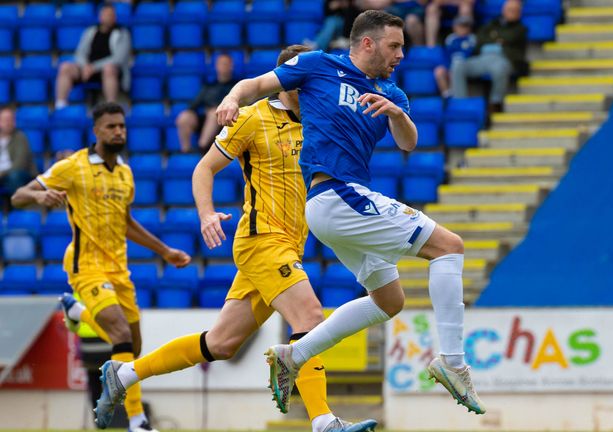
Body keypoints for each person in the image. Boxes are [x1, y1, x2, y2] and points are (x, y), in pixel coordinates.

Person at [91, 46, 378, 432]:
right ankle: (324, 422)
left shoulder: (318, 122)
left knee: (222, 343)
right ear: (288, 81)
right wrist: (206, 213)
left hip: (290, 246)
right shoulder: (252, 118)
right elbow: (204, 169)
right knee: (310, 317)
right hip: (262, 240)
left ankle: (123, 375)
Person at [216, 10, 485, 415]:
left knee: (389, 300)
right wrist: (231, 98)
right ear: (367, 43)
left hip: (337, 206)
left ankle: (294, 355)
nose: (400, 55)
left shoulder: (392, 93)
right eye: (395, 46)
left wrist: (397, 114)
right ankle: (453, 363)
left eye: (403, 48)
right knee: (449, 247)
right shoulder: (316, 64)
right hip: (337, 195)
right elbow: (256, 83)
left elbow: (409, 143)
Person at [11, 102, 191, 432]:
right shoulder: (73, 166)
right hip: (86, 266)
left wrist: (165, 251)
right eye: (111, 126)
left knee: (133, 349)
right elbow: (17, 196)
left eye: (121, 126)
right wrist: (39, 198)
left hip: (119, 270)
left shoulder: (124, 172)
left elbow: (126, 223)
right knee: (120, 334)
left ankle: (78, 312)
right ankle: (137, 421)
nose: (118, 131)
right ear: (96, 132)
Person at [450, 0, 527, 112]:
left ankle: (495, 103)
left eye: (514, 11)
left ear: (519, 13)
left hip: (503, 58)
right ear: (503, 10)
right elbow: (480, 38)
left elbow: (510, 37)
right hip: (483, 57)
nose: (510, 12)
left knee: (499, 69)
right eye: (509, 10)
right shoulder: (493, 23)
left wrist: (494, 38)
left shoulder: (521, 28)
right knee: (458, 65)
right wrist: (499, 40)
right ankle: (460, 102)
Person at [54, 4, 131, 108]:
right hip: (87, 69)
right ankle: (60, 105)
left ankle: (111, 106)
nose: (109, 17)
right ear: (100, 16)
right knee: (65, 67)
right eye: (106, 14)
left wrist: (94, 67)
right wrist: (85, 66)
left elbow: (118, 58)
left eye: (111, 15)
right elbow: (80, 53)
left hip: (108, 70)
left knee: (109, 69)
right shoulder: (90, 31)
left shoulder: (122, 33)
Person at [175, 53, 237, 153]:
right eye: (221, 64)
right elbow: (193, 105)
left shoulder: (237, 86)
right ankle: (185, 151)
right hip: (205, 119)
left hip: (227, 121)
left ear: (231, 66)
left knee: (213, 113)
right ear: (216, 66)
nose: (223, 66)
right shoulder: (209, 86)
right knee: (184, 117)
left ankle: (202, 147)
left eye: (226, 64)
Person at [0, 106, 37, 205]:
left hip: (20, 174)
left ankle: (21, 207)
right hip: (2, 176)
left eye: (10, 119)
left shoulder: (20, 137)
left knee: (14, 176)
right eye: (5, 120)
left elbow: (19, 164)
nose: (8, 123)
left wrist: (1, 173)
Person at [433, 15, 476, 98]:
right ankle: (447, 95)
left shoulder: (472, 38)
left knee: (456, 68)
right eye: (461, 26)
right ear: (455, 27)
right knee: (439, 71)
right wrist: (447, 67)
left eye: (465, 26)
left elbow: (472, 54)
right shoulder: (451, 39)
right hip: (451, 64)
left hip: (465, 65)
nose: (463, 29)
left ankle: (456, 95)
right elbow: (447, 55)